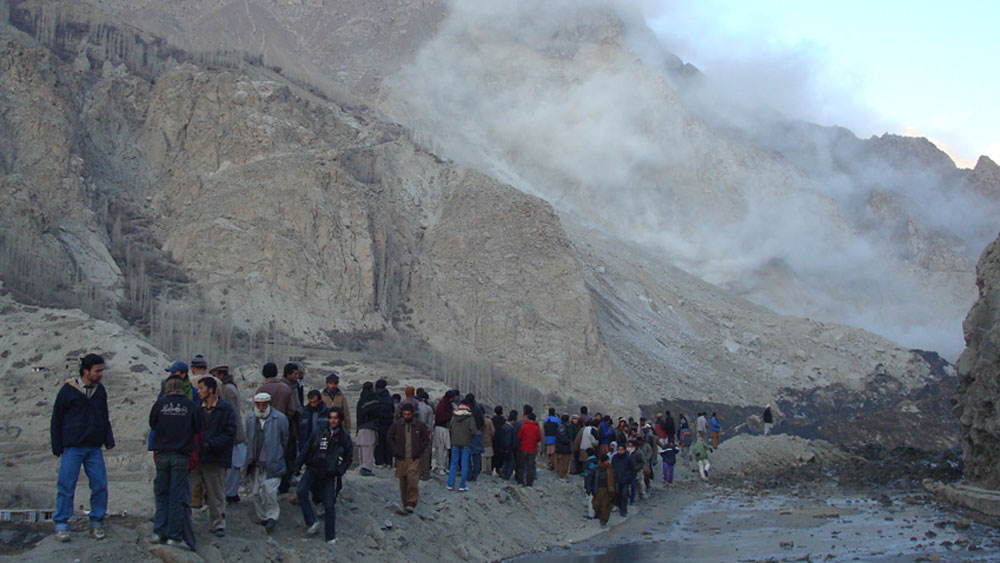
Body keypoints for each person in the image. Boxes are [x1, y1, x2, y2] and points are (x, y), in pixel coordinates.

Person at [50, 354, 115, 542]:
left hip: (94, 447)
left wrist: (108, 439)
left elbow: (104, 416)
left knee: (100, 485)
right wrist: (57, 445)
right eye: (98, 370)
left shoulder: (100, 391)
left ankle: (96, 522)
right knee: (66, 486)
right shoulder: (68, 391)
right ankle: (61, 524)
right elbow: (57, 419)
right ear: (86, 371)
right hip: (72, 447)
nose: (101, 374)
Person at [149, 375, 202, 549]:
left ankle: (158, 532)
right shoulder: (190, 406)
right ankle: (174, 536)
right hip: (181, 455)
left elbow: (153, 424)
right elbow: (197, 429)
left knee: (162, 495)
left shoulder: (159, 405)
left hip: (162, 455)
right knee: (176, 497)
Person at [293, 407, 352, 547]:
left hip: (329, 474)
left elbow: (348, 458)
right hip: (313, 468)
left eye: (335, 418)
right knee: (301, 491)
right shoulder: (319, 431)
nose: (333, 420)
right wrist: (297, 465)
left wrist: (339, 471)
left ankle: (330, 537)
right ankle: (312, 521)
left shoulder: (344, 437)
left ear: (340, 420)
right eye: (331, 417)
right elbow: (307, 448)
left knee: (329, 504)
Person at [190, 377, 236, 537]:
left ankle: (219, 524)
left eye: (201, 388)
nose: (199, 391)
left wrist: (212, 444)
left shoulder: (225, 409)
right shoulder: (196, 408)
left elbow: (230, 432)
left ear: (210, 389)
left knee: (216, 494)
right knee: (187, 491)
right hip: (197, 458)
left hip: (215, 458)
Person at [245, 392, 289, 534]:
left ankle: (272, 517)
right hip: (256, 462)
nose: (262, 407)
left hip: (273, 461)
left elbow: (285, 439)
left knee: (270, 491)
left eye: (264, 405)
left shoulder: (280, 419)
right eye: (259, 405)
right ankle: (262, 516)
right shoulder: (251, 418)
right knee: (256, 492)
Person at [387, 403, 430, 513]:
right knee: (403, 481)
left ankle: (411, 502)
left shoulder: (419, 425)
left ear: (412, 414)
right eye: (405, 414)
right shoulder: (397, 425)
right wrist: (395, 450)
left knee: (412, 479)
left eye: (408, 414)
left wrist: (419, 449)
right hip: (401, 458)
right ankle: (405, 503)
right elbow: (389, 437)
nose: (407, 416)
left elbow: (426, 439)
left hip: (414, 458)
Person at [212, 365, 246, 505]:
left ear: (220, 375)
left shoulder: (227, 390)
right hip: (235, 433)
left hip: (233, 434)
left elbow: (230, 414)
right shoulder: (231, 388)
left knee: (233, 465)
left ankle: (230, 493)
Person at [278, 363, 304, 494]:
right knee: (287, 454)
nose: (297, 376)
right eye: (294, 373)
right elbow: (292, 409)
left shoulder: (295, 386)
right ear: (288, 374)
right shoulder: (285, 388)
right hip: (287, 424)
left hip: (291, 424)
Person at [447, 399, 476, 491]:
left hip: (455, 442)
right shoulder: (470, 418)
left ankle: (450, 484)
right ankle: (462, 485)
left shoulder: (453, 417)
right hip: (466, 443)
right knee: (464, 464)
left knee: (453, 463)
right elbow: (473, 430)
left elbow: (450, 428)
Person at [356, 382, 380, 476]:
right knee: (369, 448)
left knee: (362, 448)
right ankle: (367, 468)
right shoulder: (372, 398)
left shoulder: (361, 399)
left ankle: (362, 466)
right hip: (370, 426)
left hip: (360, 427)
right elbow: (375, 411)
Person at [432, 391, 456, 475]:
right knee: (441, 448)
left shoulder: (446, 404)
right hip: (441, 428)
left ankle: (444, 466)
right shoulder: (443, 405)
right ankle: (440, 466)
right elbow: (442, 417)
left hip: (445, 428)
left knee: (445, 449)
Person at [299, 390, 330, 455]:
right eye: (311, 402)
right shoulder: (304, 413)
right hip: (308, 445)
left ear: (320, 400)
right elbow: (301, 432)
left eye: (314, 402)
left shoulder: (327, 413)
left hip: (322, 445)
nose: (312, 405)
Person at [517, 412, 542, 487]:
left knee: (521, 465)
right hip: (532, 449)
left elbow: (519, 436)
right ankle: (529, 482)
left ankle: (520, 481)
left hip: (523, 448)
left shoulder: (524, 426)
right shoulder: (536, 428)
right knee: (530, 466)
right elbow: (539, 439)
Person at [610, 443, 636, 516]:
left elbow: (632, 469)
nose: (620, 451)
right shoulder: (615, 457)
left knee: (624, 495)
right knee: (618, 494)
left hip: (626, 480)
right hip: (617, 479)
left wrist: (630, 477)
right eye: (619, 450)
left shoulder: (628, 458)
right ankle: (619, 507)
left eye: (622, 450)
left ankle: (624, 510)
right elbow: (613, 467)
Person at [374, 379, 395, 468]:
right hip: (389, 422)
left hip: (379, 422)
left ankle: (379, 462)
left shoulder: (376, 396)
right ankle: (388, 462)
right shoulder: (389, 396)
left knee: (379, 443)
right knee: (388, 442)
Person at [415, 388, 435, 480]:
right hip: (425, 431)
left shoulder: (414, 406)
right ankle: (425, 473)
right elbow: (430, 424)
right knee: (426, 454)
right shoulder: (428, 408)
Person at [591, 453, 615, 528]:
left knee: (606, 506)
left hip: (607, 490)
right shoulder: (596, 469)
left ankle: (603, 521)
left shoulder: (610, 469)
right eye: (606, 461)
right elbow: (591, 479)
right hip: (598, 489)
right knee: (596, 504)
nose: (607, 462)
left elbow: (614, 480)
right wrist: (589, 489)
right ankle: (599, 515)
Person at [553, 414, 573, 478]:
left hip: (559, 447)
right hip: (564, 448)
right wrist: (569, 442)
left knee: (561, 461)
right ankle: (563, 474)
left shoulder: (559, 427)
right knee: (565, 462)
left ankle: (561, 473)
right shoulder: (564, 428)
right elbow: (563, 438)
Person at [498, 413, 516, 479]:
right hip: (507, 448)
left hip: (503, 447)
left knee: (506, 461)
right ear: (513, 420)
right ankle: (506, 475)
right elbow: (507, 439)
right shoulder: (509, 429)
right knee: (511, 462)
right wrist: (508, 448)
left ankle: (502, 469)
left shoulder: (503, 426)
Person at [481, 409, 495, 479]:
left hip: (480, 440)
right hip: (488, 440)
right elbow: (493, 431)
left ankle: (483, 470)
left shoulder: (478, 420)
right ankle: (489, 470)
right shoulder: (489, 421)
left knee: (483, 456)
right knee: (489, 456)